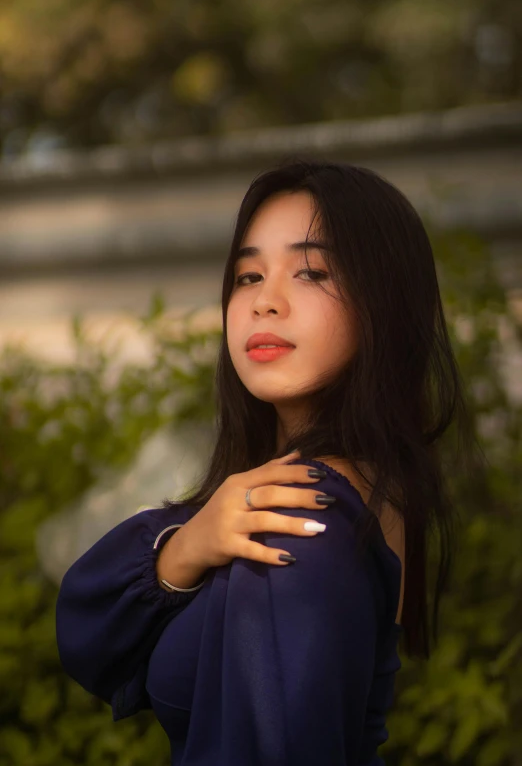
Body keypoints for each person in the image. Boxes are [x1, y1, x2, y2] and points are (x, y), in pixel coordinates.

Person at [56, 159, 477, 765]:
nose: (265, 302)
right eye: (248, 276)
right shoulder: (322, 491)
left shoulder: (299, 519)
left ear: (383, 302)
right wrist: (186, 547)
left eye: (312, 271)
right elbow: (92, 633)